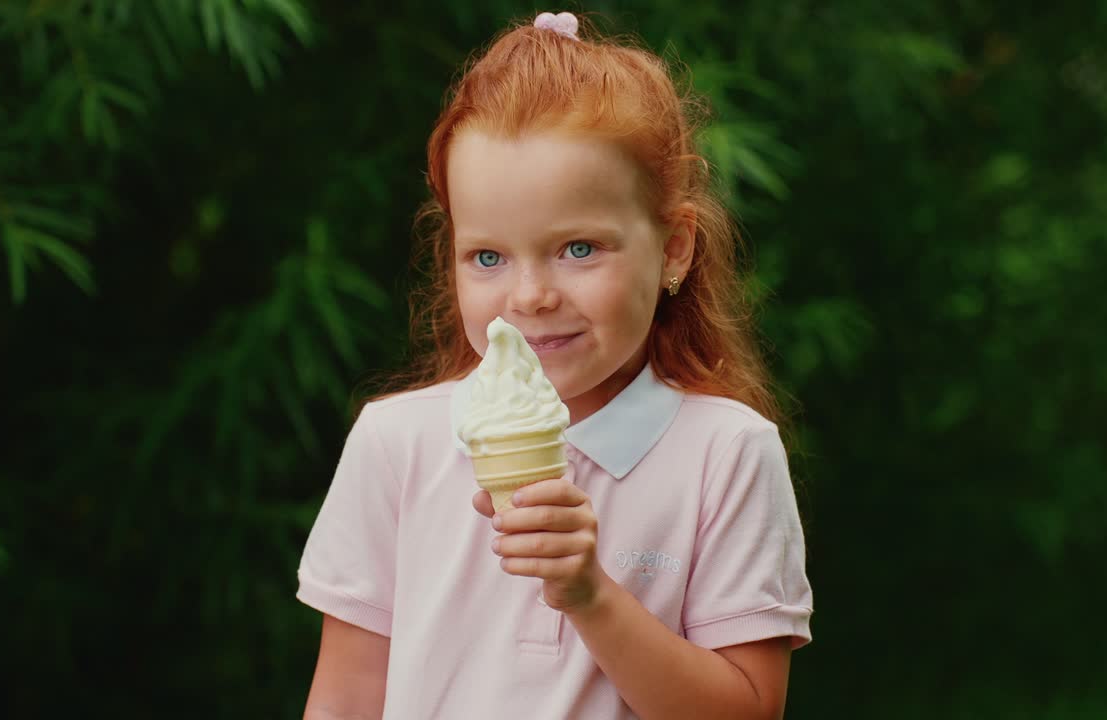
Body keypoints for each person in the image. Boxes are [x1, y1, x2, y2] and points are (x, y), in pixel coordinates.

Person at [297, 11, 813, 720]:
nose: (531, 296)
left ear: (674, 249)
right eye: (488, 257)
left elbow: (749, 710)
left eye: (578, 249)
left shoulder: (726, 453)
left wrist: (590, 596)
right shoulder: (396, 445)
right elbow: (344, 700)